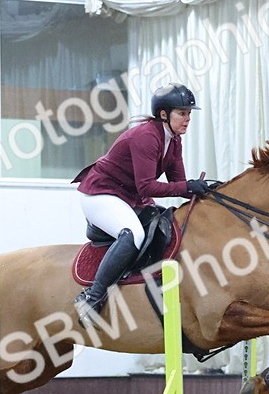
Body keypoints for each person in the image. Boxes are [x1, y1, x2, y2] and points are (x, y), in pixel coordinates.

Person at [71, 83, 215, 323]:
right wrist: (188, 186)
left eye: (189, 113)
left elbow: (178, 183)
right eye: (182, 113)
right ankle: (92, 297)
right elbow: (147, 187)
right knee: (133, 234)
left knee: (166, 224)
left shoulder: (174, 140)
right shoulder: (146, 137)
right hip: (101, 193)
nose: (188, 119)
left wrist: (209, 192)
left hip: (129, 197)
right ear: (163, 114)